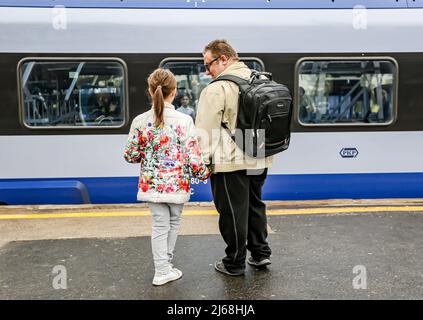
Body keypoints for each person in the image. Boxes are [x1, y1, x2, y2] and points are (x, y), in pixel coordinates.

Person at [124, 68, 209, 286]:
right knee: (173, 223)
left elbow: (131, 155)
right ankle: (164, 268)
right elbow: (193, 156)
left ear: (150, 91)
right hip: (177, 186)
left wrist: (149, 154)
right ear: (174, 92)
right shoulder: (184, 120)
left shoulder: (140, 121)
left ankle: (163, 269)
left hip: (151, 185)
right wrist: (205, 172)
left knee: (160, 225)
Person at [195, 39, 273, 276]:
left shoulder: (216, 89)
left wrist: (204, 162)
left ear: (224, 59)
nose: (207, 71)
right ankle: (260, 254)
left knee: (232, 212)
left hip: (229, 162)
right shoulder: (262, 79)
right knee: (255, 205)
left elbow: (204, 132)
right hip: (259, 156)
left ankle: (234, 262)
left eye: (209, 64)